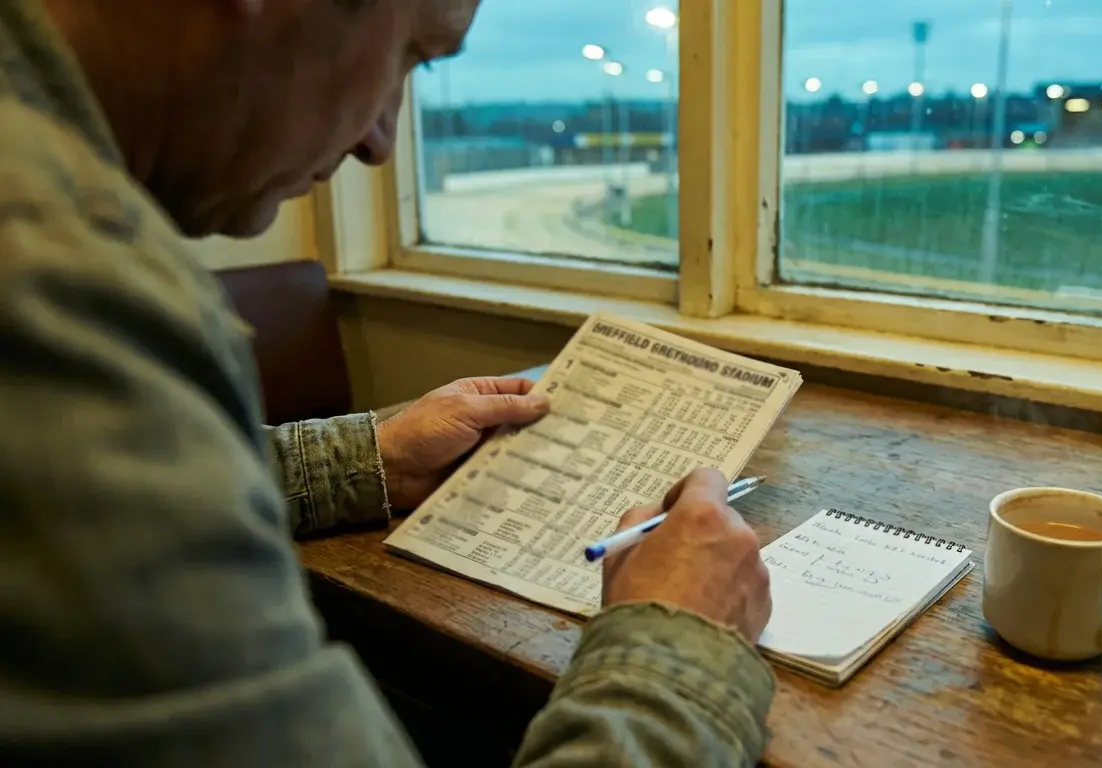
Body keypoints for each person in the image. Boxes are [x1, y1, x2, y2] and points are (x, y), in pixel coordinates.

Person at [0, 1, 775, 765]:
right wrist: (680, 649)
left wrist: (366, 457)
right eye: (409, 53)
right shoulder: (54, 280)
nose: (379, 141)